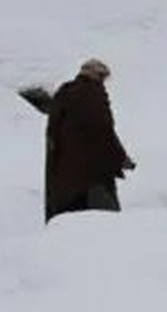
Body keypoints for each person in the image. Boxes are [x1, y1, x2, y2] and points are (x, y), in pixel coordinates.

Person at [44, 58, 135, 222]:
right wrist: (121, 158)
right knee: (103, 224)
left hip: (62, 179)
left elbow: (53, 133)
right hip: (92, 176)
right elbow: (103, 131)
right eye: (103, 77)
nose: (104, 82)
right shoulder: (92, 94)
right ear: (96, 75)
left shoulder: (64, 93)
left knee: (68, 225)